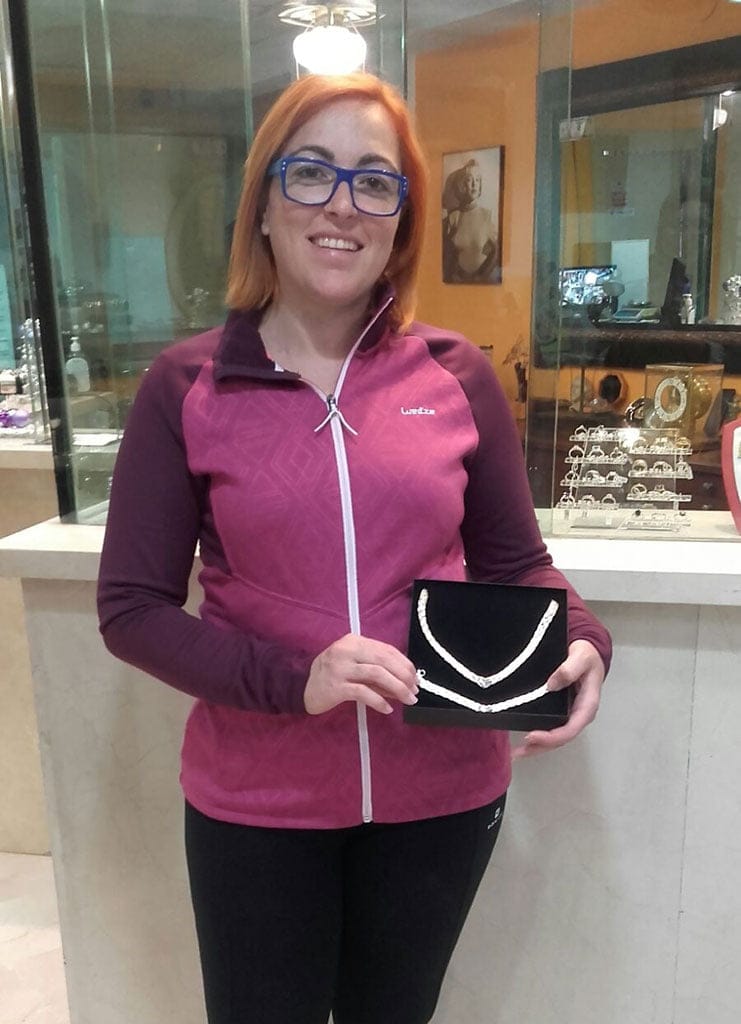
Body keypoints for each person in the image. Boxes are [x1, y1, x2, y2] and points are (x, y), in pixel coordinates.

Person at [97, 72, 611, 1024]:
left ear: (402, 221)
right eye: (310, 172)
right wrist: (295, 680)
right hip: (258, 801)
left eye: (374, 181)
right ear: (263, 205)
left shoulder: (455, 376)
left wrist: (582, 636)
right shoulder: (187, 386)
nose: (342, 204)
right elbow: (131, 610)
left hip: (442, 796)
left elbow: (516, 564)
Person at [442, 158, 500, 283]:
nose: (474, 184)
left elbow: (496, 252)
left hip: (484, 284)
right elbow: (445, 256)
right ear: (461, 184)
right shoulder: (453, 218)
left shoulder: (487, 216)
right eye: (469, 180)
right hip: (455, 284)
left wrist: (481, 276)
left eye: (477, 180)